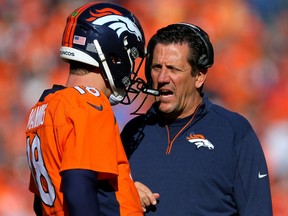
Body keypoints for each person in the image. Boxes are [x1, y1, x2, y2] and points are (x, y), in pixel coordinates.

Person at [121, 23, 273, 215]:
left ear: (199, 76)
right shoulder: (132, 133)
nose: (162, 77)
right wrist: (125, 192)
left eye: (174, 69)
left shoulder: (234, 132)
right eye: (157, 67)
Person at [25, 2, 147, 215]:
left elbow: (42, 204)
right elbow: (77, 187)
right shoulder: (88, 103)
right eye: (129, 56)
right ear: (114, 55)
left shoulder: (45, 105)